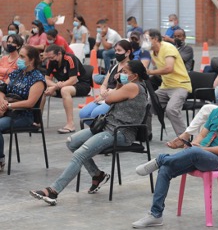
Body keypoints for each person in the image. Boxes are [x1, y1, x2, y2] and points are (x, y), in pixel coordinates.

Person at [132, 81, 218, 228]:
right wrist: (194, 145)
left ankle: (161, 159)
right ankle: (155, 215)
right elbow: (201, 136)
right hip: (199, 154)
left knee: (192, 152)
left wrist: (199, 150)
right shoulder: (216, 113)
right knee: (166, 169)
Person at [30, 60, 149, 206]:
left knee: (79, 154)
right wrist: (118, 83)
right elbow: (114, 97)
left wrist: (116, 86)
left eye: (125, 72)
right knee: (72, 143)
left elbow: (109, 99)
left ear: (135, 76)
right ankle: (97, 175)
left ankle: (53, 191)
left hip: (121, 132)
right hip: (107, 127)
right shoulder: (129, 85)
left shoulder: (133, 86)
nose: (120, 74)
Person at [0, 45, 46, 171]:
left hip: (23, 116)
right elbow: (2, 89)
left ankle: (0, 160)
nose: (18, 59)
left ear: (31, 60)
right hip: (7, 111)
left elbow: (30, 103)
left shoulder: (37, 79)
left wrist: (9, 106)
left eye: (22, 57)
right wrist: (3, 101)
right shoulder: (16, 73)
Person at [145, 29, 192, 136]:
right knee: (146, 106)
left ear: (155, 39)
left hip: (181, 85)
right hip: (165, 86)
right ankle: (147, 134)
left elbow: (169, 68)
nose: (144, 41)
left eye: (147, 39)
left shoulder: (168, 48)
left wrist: (150, 72)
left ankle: (184, 139)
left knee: (171, 110)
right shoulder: (152, 52)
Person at [80, 40, 133, 123]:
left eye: (119, 50)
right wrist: (103, 92)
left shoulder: (131, 67)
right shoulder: (113, 67)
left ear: (128, 52)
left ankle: (103, 132)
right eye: (115, 50)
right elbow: (104, 84)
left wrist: (109, 93)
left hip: (117, 98)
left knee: (96, 113)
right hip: (105, 96)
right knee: (83, 114)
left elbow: (126, 87)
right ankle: (97, 131)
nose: (116, 53)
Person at [43, 44, 91, 133]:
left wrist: (54, 87)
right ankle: (38, 122)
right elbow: (47, 79)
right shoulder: (51, 61)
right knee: (42, 89)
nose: (50, 60)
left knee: (65, 90)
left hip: (81, 85)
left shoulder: (70, 59)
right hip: (62, 85)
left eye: (52, 57)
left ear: (59, 53)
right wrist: (54, 86)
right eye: (48, 58)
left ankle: (70, 124)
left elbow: (73, 80)